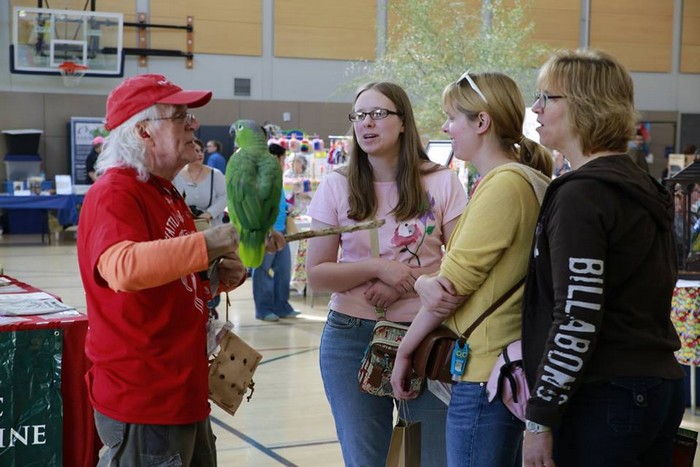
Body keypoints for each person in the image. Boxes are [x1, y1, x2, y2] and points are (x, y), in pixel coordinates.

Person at [521, 49, 685, 467]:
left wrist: (539, 418)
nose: (535, 108)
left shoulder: (582, 193)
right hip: (655, 384)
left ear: (582, 105)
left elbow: (577, 314)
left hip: (605, 395)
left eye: (546, 97)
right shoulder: (641, 185)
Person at [76, 74, 249, 466]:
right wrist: (206, 244)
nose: (194, 124)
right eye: (180, 116)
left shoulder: (165, 191)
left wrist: (214, 277)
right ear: (143, 132)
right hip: (145, 400)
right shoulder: (115, 192)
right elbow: (122, 268)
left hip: (182, 392)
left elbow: (170, 277)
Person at [391, 72, 553, 466]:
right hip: (510, 367)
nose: (446, 128)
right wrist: (429, 280)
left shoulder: (503, 186)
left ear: (482, 122)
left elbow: (451, 289)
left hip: (485, 374)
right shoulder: (532, 180)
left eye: (453, 117)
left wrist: (404, 352)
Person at [306, 81, 468, 467]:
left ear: (402, 123)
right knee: (366, 460)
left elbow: (464, 261)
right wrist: (379, 268)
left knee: (433, 457)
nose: (367, 123)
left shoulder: (442, 181)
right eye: (359, 115)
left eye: (379, 114)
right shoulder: (336, 185)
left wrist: (404, 280)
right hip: (351, 337)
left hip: (428, 335)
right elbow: (318, 273)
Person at [252, 141, 299, 322]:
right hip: (266, 233)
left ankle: (282, 306)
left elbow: (278, 203)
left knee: (283, 270)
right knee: (262, 271)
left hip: (281, 232)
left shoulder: (276, 178)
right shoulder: (260, 179)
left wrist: (288, 209)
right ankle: (263, 309)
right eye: (283, 159)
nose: (283, 163)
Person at [173, 139, 228, 227]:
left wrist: (209, 213)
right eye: (196, 150)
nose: (200, 154)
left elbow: (225, 196)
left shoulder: (216, 174)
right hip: (184, 227)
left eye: (201, 151)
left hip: (212, 227)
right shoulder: (175, 175)